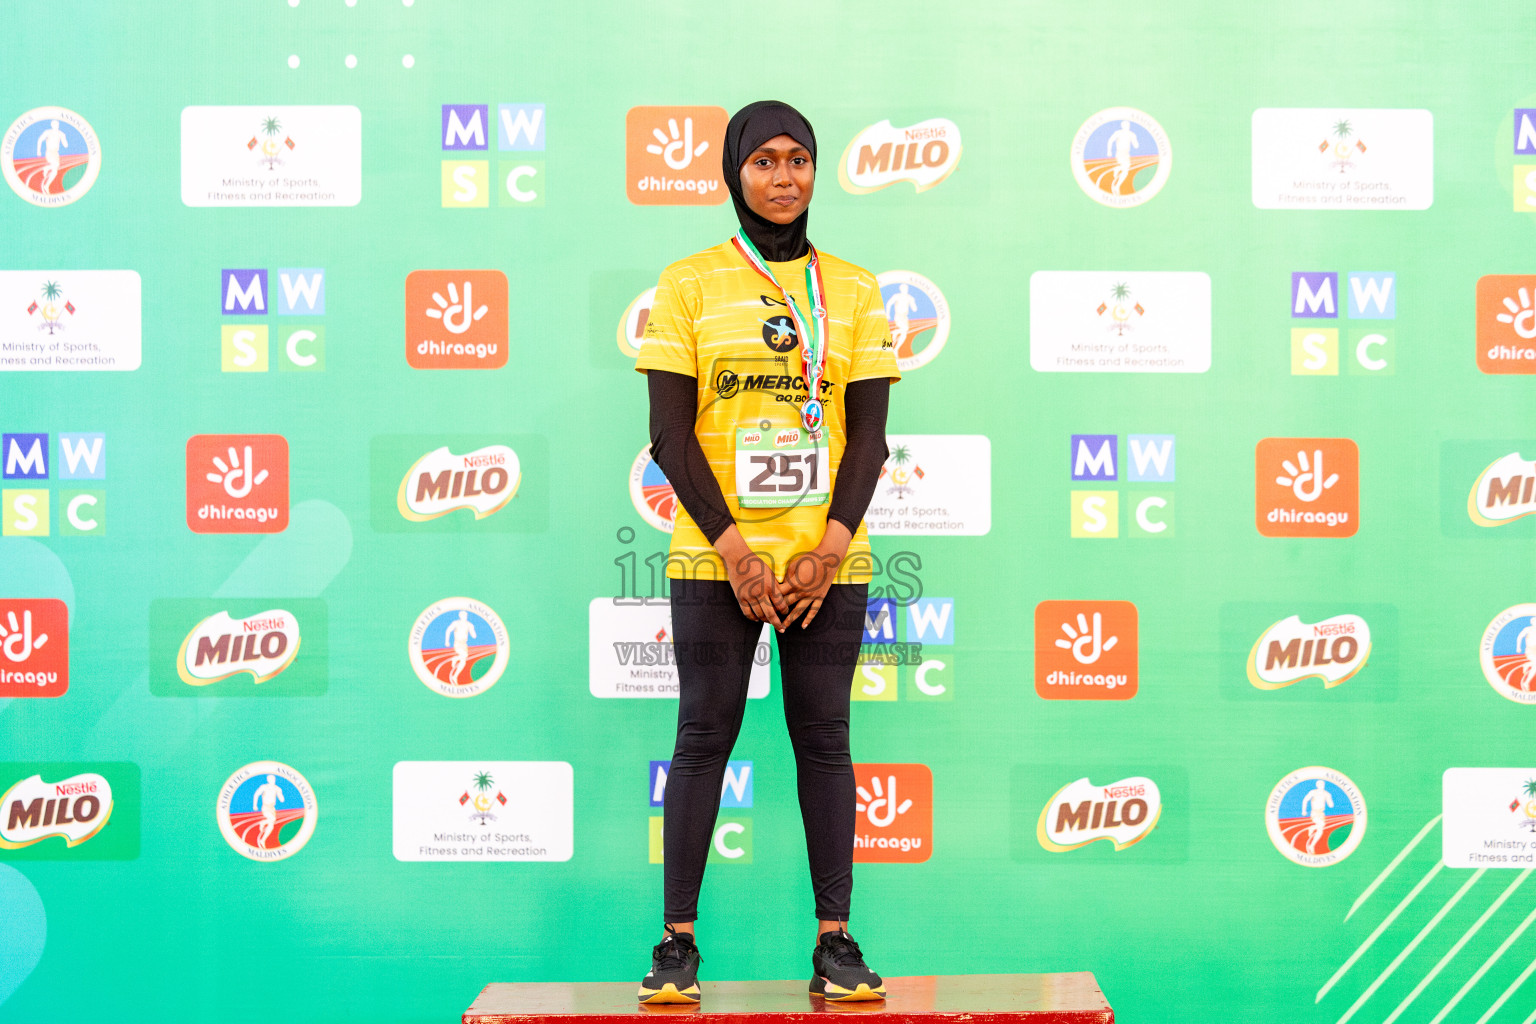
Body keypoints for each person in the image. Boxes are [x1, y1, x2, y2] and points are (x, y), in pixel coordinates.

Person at [634, 100, 899, 1005]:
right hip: (718, 560)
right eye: (764, 162)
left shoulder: (856, 291)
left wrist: (826, 549)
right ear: (733, 172)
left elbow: (868, 440)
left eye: (800, 160)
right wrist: (740, 552)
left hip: (828, 562)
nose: (784, 177)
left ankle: (836, 940)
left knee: (824, 739)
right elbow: (672, 437)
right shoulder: (689, 284)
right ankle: (676, 943)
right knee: (704, 735)